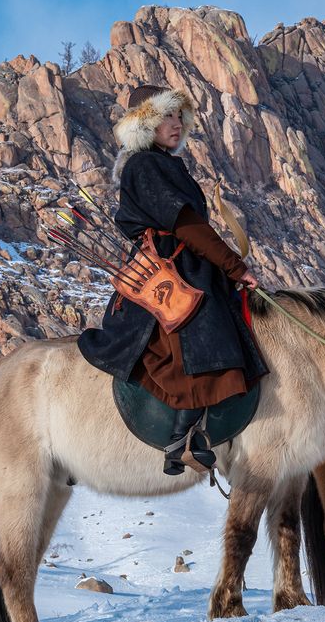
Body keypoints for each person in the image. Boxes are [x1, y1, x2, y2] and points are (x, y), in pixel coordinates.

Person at [78, 85, 267, 476]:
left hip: (182, 265)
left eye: (180, 115)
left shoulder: (161, 163)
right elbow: (186, 225)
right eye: (166, 115)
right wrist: (235, 267)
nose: (176, 123)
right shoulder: (145, 165)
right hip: (170, 271)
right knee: (202, 334)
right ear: (145, 123)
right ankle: (182, 438)